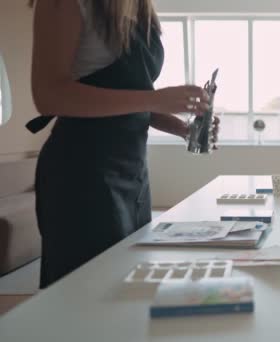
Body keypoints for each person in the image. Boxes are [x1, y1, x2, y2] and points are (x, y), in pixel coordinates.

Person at [27, 0, 216, 288]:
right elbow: (48, 95)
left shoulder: (139, 9)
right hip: (80, 175)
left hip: (133, 173)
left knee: (129, 285)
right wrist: (156, 98)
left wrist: (182, 128)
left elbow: (129, 97)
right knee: (86, 295)